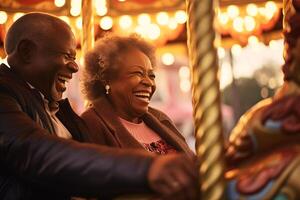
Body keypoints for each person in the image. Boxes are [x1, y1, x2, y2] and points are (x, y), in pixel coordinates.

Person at [0, 12, 198, 200]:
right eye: (67, 56)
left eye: (151, 74)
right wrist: (148, 167)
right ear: (27, 52)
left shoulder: (54, 110)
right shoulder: (6, 96)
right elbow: (37, 151)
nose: (75, 66)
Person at [80, 34, 194, 158]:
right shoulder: (92, 124)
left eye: (151, 76)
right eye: (137, 73)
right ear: (106, 79)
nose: (149, 82)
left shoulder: (160, 118)